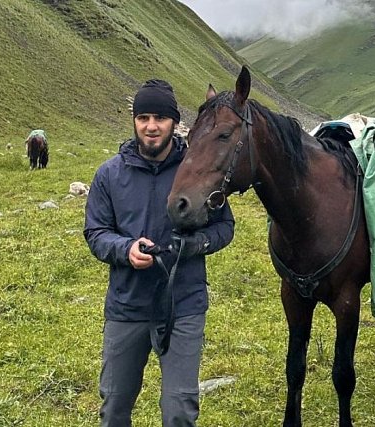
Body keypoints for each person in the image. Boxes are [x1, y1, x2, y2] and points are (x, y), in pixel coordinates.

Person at [84, 79, 235, 427]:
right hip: (127, 306)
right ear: (135, 121)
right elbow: (96, 232)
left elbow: (224, 227)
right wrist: (125, 249)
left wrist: (196, 245)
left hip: (183, 306)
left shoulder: (199, 170)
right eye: (143, 118)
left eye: (160, 118)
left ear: (174, 123)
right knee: (114, 408)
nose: (151, 127)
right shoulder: (109, 174)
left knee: (179, 411)